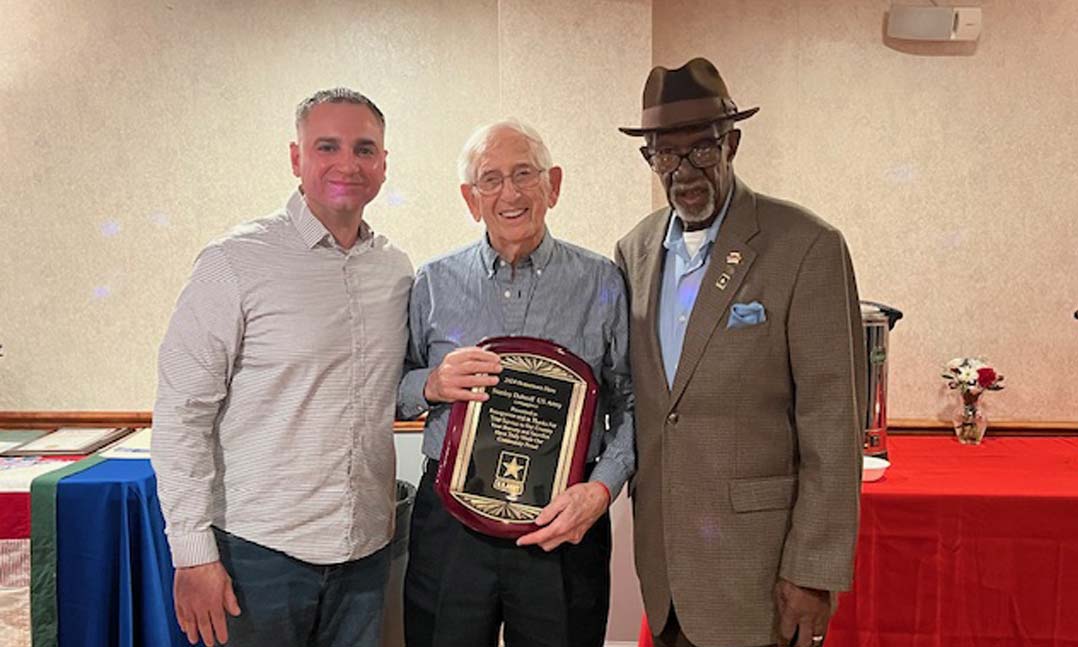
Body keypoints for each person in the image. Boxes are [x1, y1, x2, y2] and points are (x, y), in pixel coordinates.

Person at [614, 58, 866, 647]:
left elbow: (833, 421)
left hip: (759, 571)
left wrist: (812, 570)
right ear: (649, 158)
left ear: (732, 143)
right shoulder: (634, 250)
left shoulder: (806, 246)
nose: (684, 171)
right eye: (665, 155)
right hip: (665, 563)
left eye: (700, 149)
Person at [152, 87, 412, 647]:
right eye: (327, 146)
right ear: (296, 158)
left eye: (365, 149)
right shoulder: (234, 262)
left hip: (364, 557)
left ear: (384, 165)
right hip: (256, 558)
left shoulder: (396, 272)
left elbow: (395, 388)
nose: (347, 163)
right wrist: (192, 554)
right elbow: (181, 414)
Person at [397, 119, 634, 647]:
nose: (510, 193)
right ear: (469, 197)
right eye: (491, 178)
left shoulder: (601, 282)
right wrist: (433, 384)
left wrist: (601, 491)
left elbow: (633, 404)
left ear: (553, 184)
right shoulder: (431, 284)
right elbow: (393, 388)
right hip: (450, 524)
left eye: (524, 174)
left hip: (564, 522)